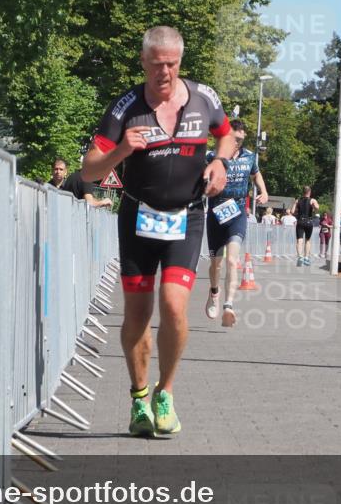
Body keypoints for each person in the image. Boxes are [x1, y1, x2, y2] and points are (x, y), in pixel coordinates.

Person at [81, 26, 234, 438]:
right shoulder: (125, 107)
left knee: (173, 306)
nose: (164, 72)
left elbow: (228, 136)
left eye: (171, 64)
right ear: (143, 62)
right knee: (137, 314)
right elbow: (89, 170)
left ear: (180, 62)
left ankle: (165, 394)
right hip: (137, 218)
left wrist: (220, 162)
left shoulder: (204, 97)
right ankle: (138, 397)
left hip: (187, 216)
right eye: (156, 64)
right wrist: (121, 151)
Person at [204, 119, 269, 328]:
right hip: (216, 213)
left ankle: (228, 305)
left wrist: (264, 191)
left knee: (232, 260)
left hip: (238, 212)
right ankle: (214, 292)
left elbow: (256, 175)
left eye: (241, 140)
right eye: (234, 138)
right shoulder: (212, 156)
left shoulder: (250, 156)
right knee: (216, 263)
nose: (237, 143)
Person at [289, 186, 318, 265]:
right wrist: (313, 206)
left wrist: (296, 206)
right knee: (307, 240)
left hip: (300, 221)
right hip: (309, 222)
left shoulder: (298, 200)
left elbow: (292, 211)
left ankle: (300, 257)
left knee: (299, 240)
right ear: (310, 192)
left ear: (303, 192)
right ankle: (306, 258)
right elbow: (317, 208)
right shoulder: (312, 200)